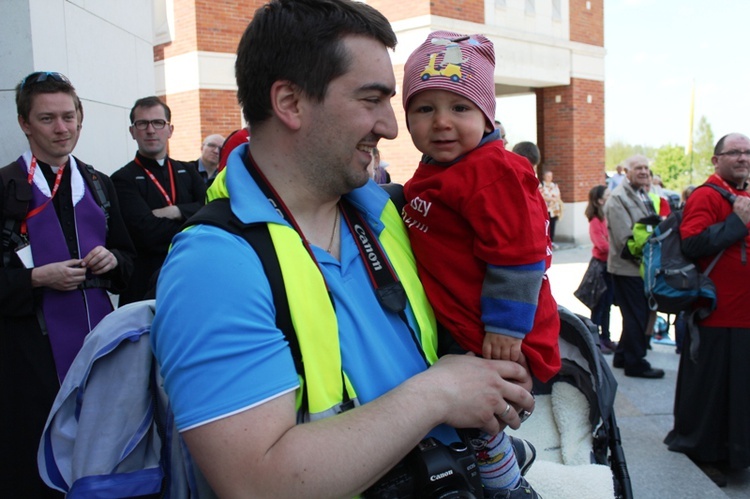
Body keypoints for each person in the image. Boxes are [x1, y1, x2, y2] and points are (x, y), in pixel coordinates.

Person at [150, 2, 535, 497]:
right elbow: (255, 483)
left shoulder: (390, 214)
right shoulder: (213, 266)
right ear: (289, 102)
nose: (392, 127)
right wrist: (439, 394)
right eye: (371, 100)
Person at [401, 31, 560, 498]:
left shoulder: (494, 171)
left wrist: (506, 329)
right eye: (424, 108)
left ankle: (506, 482)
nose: (442, 123)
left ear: (488, 115)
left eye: (460, 108)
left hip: (493, 330)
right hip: (462, 316)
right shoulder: (438, 169)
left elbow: (521, 256)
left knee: (480, 412)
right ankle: (510, 455)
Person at [0, 71, 135, 497]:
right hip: (27, 356)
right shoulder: (4, 187)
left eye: (69, 117)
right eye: (47, 119)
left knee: (98, 454)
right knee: (32, 467)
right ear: (24, 123)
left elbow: (130, 260)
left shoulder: (98, 183)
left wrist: (113, 260)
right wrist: (36, 278)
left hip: (97, 347)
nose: (62, 129)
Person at [664, 133, 750, 486]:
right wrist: (736, 224)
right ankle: (703, 453)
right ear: (716, 160)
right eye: (734, 152)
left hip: (743, 315)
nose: (743, 158)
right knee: (712, 391)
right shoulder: (706, 195)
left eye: (747, 152)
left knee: (739, 392)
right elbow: (692, 243)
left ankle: (734, 453)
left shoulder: (745, 195)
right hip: (717, 314)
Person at [112, 96, 206, 305]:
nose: (151, 130)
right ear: (132, 131)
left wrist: (176, 211)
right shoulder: (122, 179)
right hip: (145, 286)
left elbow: (210, 211)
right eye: (142, 123)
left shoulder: (188, 171)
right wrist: (194, 224)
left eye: (158, 123)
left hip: (191, 277)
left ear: (170, 129)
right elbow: (146, 233)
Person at [603, 154, 665, 378]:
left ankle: (622, 356)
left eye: (646, 168)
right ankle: (635, 363)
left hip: (642, 267)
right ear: (626, 172)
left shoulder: (641, 193)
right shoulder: (618, 198)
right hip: (628, 268)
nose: (644, 172)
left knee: (636, 314)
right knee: (637, 316)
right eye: (638, 168)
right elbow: (625, 242)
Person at [584, 185, 617, 354]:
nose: (611, 197)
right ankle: (595, 342)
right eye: (608, 195)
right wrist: (616, 245)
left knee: (608, 305)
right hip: (600, 267)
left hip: (609, 266)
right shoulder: (596, 221)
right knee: (599, 306)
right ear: (600, 200)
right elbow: (602, 245)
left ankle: (606, 337)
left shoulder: (607, 218)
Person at [539, 169, 563, 247]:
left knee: (552, 225)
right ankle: (544, 241)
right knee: (545, 225)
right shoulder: (541, 185)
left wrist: (556, 199)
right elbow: (541, 196)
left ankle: (551, 241)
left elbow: (558, 195)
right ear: (544, 177)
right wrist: (551, 199)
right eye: (547, 176)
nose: (549, 177)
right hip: (545, 209)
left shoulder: (554, 185)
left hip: (553, 209)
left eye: (550, 176)